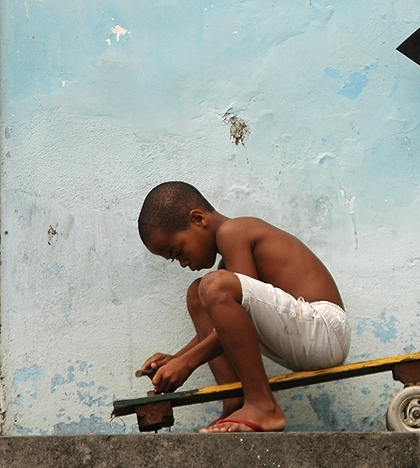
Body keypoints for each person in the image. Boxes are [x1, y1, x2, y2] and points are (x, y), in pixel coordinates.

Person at [136, 181, 350, 433]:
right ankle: (235, 403)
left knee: (214, 286)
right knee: (198, 294)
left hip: (325, 329)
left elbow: (245, 310)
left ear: (198, 219)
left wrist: (187, 363)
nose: (183, 263)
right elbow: (233, 327)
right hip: (304, 337)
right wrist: (178, 359)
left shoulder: (233, 231)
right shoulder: (227, 268)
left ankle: (263, 406)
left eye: (179, 251)